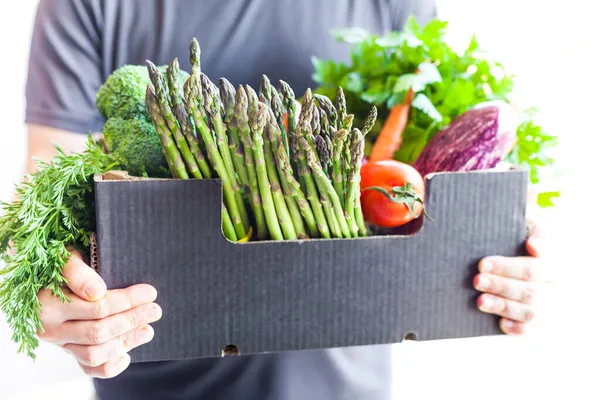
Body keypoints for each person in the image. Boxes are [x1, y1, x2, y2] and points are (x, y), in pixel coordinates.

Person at [24, 1, 553, 399]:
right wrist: (57, 281)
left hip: (346, 381)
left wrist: (498, 247)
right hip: (156, 380)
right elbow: (51, 180)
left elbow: (428, 172)